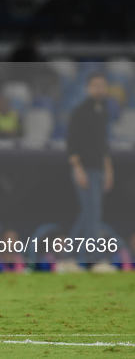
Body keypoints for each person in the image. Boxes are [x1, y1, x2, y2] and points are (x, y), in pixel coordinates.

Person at [66, 73, 113, 264]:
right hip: (85, 169)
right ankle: (91, 259)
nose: (99, 88)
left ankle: (69, 256)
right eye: (95, 85)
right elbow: (72, 142)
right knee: (93, 214)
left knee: (88, 213)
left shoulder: (103, 111)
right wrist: (78, 168)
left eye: (102, 85)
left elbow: (103, 144)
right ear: (88, 88)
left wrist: (108, 169)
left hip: (99, 169)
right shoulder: (80, 111)